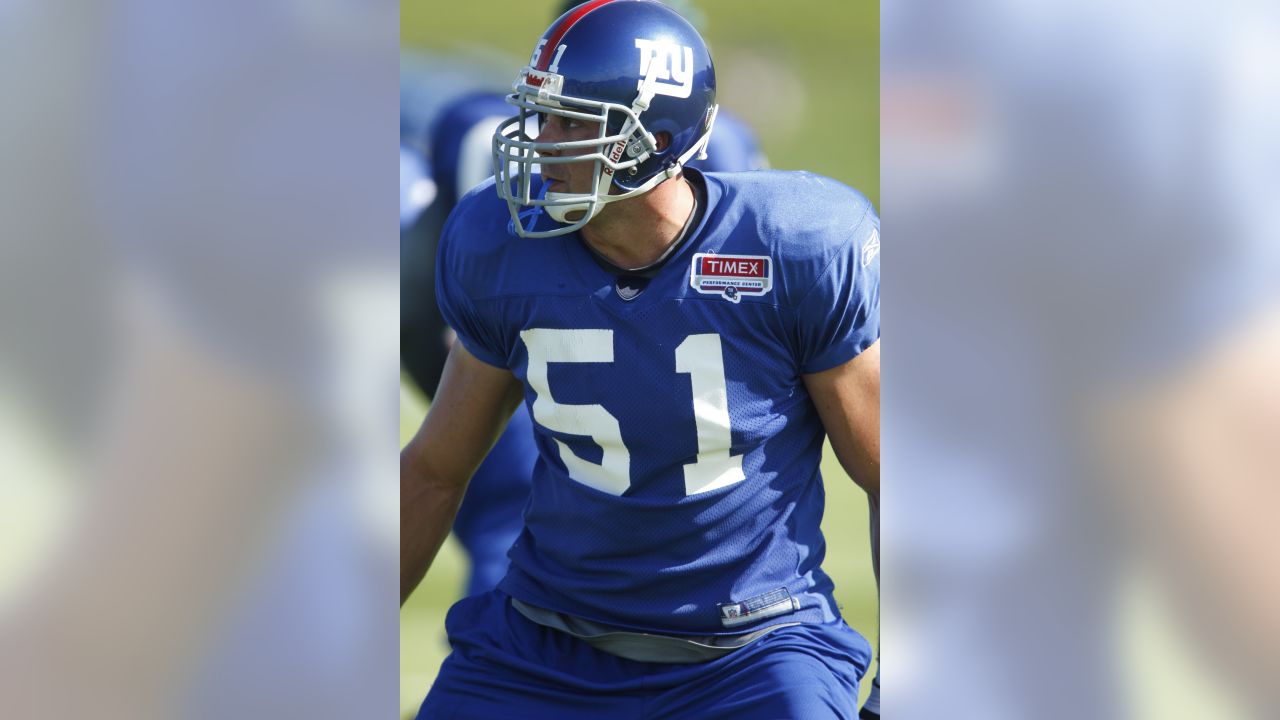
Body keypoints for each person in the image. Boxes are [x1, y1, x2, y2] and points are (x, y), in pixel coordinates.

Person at [401, 1, 879, 718]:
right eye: (539, 113)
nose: (539, 141)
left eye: (569, 122)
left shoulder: (794, 245)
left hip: (752, 651)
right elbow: (436, 470)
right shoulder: (499, 242)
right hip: (540, 648)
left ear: (651, 140)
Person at [400, 0, 771, 601]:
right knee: (506, 505)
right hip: (500, 323)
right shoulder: (483, 146)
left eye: (569, 123)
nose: (544, 144)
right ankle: (504, 665)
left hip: (660, 348)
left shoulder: (768, 205)